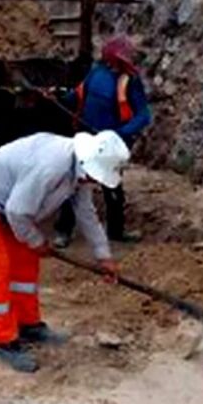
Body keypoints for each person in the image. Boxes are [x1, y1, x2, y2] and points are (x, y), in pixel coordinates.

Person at [0, 131, 129, 372]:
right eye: (97, 178)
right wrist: (36, 240)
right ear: (89, 165)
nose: (97, 183)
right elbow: (17, 211)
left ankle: (28, 324)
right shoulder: (51, 166)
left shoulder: (81, 170)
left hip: (11, 206)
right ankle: (4, 340)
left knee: (25, 262)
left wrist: (104, 256)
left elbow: (86, 213)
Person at [53, 35, 152, 248]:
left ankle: (116, 231)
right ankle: (63, 230)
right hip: (86, 137)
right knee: (73, 183)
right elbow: (77, 96)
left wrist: (120, 133)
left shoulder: (130, 81)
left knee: (112, 186)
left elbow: (143, 115)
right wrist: (58, 97)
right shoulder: (96, 73)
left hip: (110, 143)